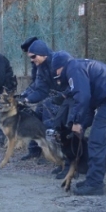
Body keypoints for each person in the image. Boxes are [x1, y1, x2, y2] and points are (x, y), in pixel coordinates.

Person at [50, 50, 106, 196]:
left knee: (96, 142)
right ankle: (93, 178)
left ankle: (95, 184)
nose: (56, 73)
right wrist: (79, 122)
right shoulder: (78, 66)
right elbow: (85, 97)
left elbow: (83, 97)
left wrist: (78, 122)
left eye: (56, 69)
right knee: (98, 141)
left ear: (61, 66)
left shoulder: (73, 68)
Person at [20, 40, 68, 175]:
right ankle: (35, 150)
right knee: (36, 118)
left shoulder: (58, 61)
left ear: (42, 54)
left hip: (64, 99)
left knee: (51, 125)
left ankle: (56, 157)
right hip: (51, 98)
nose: (31, 60)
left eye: (33, 57)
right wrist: (25, 98)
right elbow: (39, 88)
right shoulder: (40, 66)